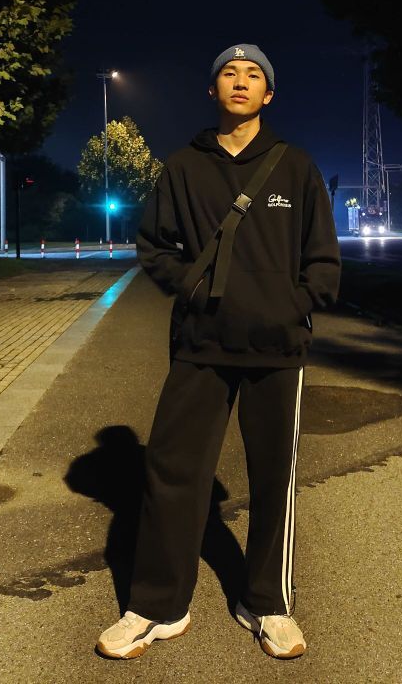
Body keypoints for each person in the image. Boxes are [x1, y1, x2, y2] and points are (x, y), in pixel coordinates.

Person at [97, 43, 340, 661]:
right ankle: (158, 606)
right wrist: (193, 288)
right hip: (201, 343)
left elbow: (322, 256)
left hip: (277, 348)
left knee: (274, 477)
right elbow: (155, 246)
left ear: (268, 94)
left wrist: (295, 302)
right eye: (229, 73)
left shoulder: (295, 166)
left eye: (254, 74)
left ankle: (267, 603)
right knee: (171, 470)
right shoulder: (183, 166)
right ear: (213, 90)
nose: (240, 81)